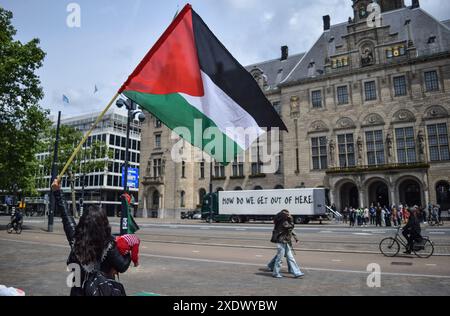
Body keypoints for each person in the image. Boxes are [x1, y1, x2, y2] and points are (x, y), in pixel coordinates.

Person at [51, 179, 131, 296]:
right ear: (104, 224)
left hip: (78, 291)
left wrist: (57, 192)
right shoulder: (109, 245)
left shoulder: (76, 240)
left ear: (83, 222)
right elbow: (123, 265)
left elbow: (66, 217)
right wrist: (128, 251)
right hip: (102, 291)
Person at [267, 210, 304, 279]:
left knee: (290, 258)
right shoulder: (283, 222)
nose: (289, 215)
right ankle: (275, 273)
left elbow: (290, 231)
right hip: (281, 242)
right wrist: (291, 219)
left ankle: (296, 272)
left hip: (285, 241)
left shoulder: (284, 221)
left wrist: (296, 238)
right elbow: (291, 227)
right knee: (280, 258)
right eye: (287, 214)